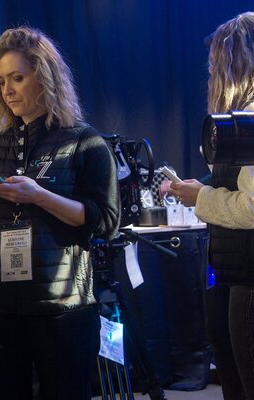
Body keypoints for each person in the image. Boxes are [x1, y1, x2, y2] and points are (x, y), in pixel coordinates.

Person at [0, 26, 120, 400]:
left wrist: (38, 195)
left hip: (61, 306)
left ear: (45, 77)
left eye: (17, 78)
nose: (8, 90)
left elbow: (106, 221)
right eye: (1, 81)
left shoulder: (86, 142)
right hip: (1, 300)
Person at [170, 12, 254, 400]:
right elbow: (232, 181)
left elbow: (251, 206)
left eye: (215, 66)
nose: (211, 75)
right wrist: (198, 187)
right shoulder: (238, 123)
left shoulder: (249, 122)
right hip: (231, 270)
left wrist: (199, 198)